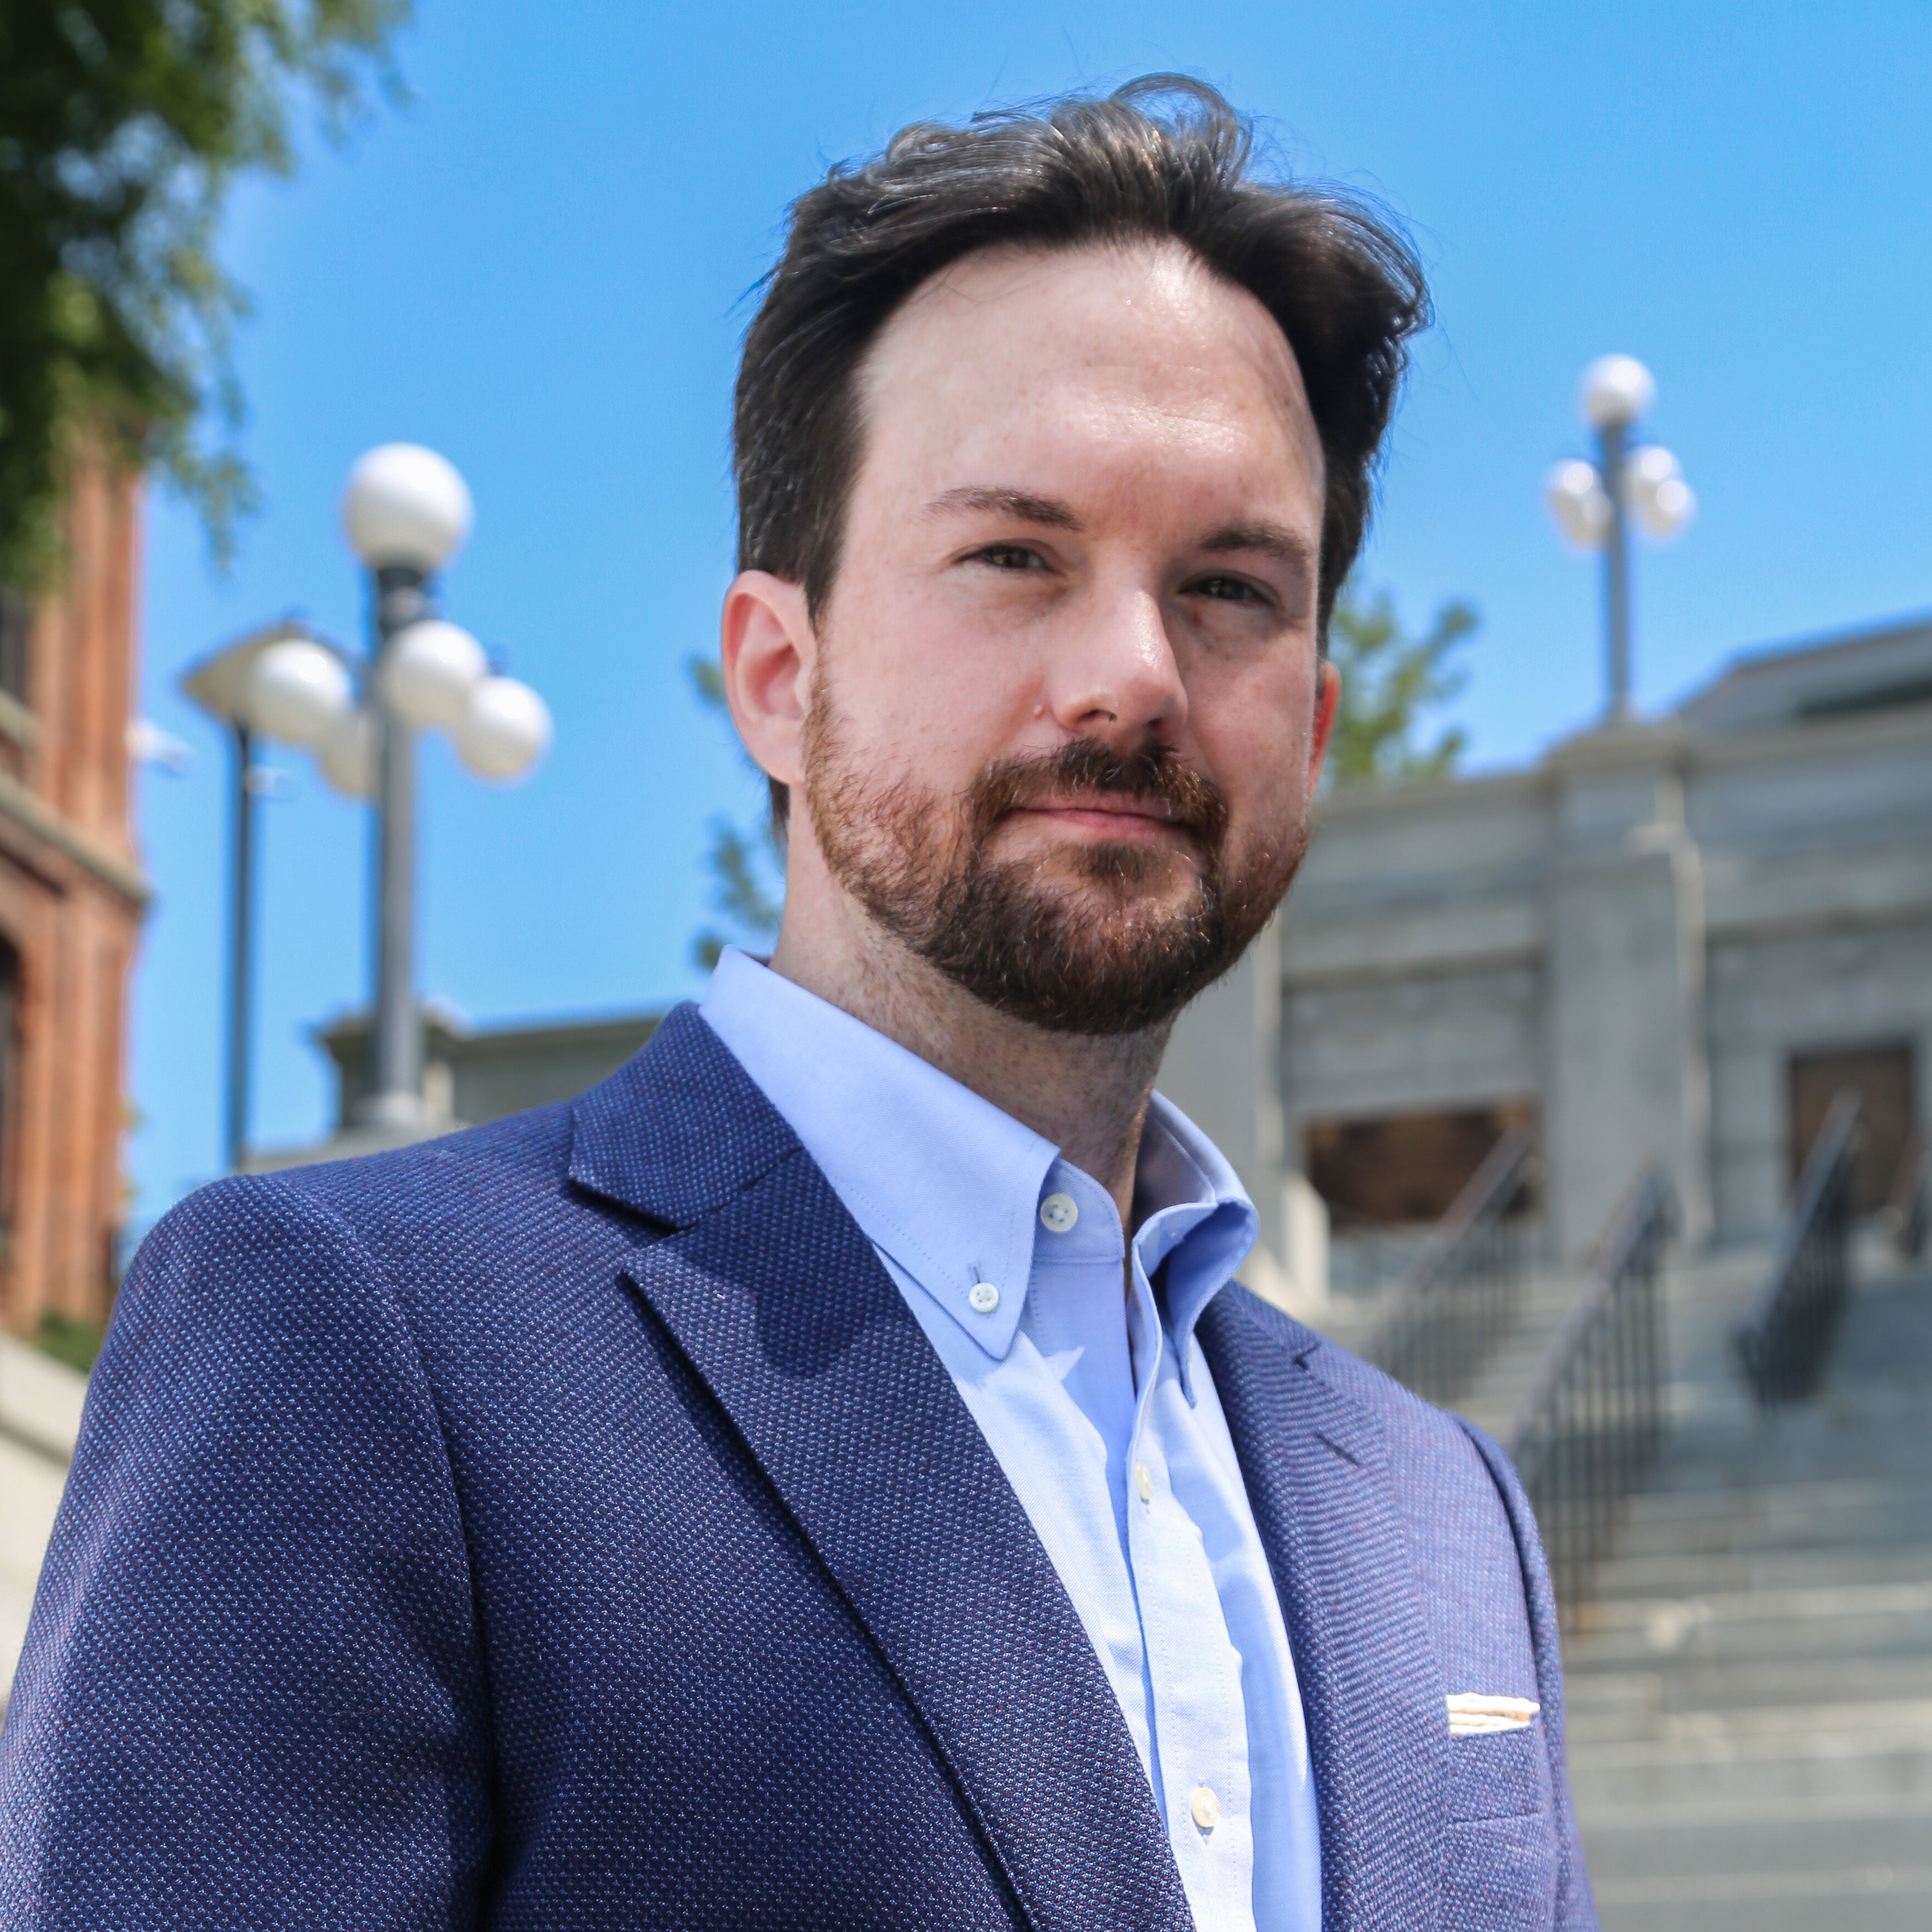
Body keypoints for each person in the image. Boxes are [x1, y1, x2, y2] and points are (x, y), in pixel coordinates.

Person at [0, 78, 1593, 1932]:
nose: (1132, 673)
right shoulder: (359, 1348)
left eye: (1231, 586)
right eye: (1015, 554)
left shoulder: (1444, 1514)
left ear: (1310, 728)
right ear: (775, 669)